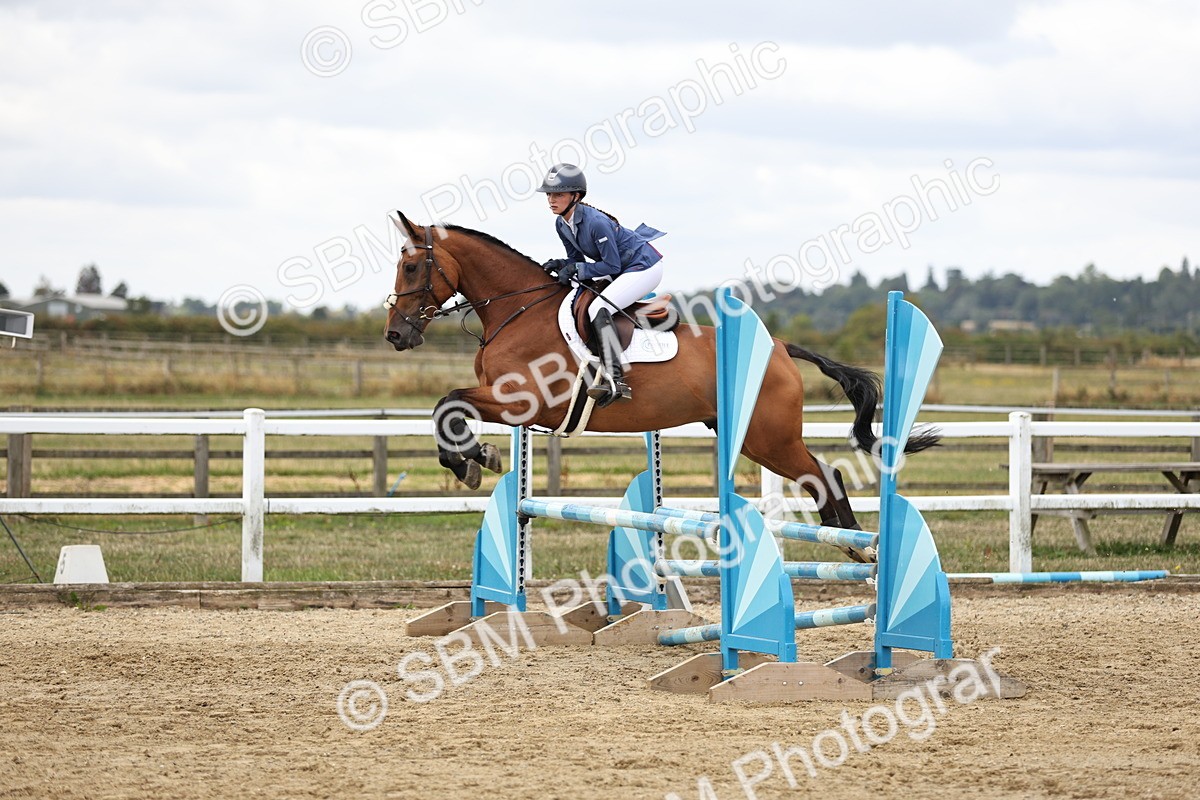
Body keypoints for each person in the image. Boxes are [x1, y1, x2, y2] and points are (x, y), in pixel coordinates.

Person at [536, 163, 665, 407]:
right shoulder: (562, 223)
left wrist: (576, 269)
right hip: (621, 267)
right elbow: (577, 261)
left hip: (643, 267)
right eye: (549, 194)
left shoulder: (596, 222)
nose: (551, 200)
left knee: (597, 309)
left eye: (558, 194)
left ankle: (616, 379)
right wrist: (562, 264)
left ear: (576, 196)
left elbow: (612, 266)